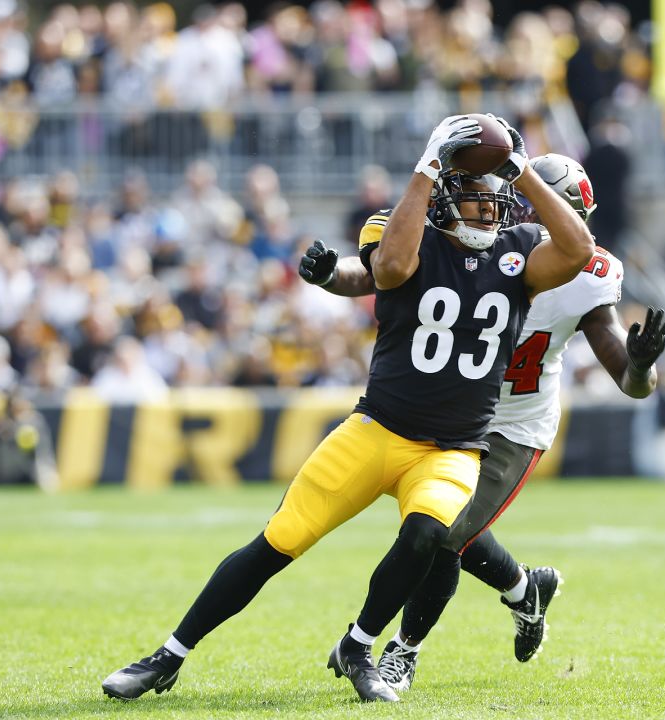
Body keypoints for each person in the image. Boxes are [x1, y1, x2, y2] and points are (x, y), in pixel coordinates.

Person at [101, 114, 596, 703]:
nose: (488, 210)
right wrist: (428, 166)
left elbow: (579, 247)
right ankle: (168, 656)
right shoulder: (402, 231)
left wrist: (519, 170)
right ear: (439, 196)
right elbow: (385, 270)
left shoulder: (519, 253)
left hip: (455, 449)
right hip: (377, 430)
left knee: (426, 537)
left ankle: (360, 646)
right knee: (277, 544)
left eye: (495, 199)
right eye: (472, 197)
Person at [298, 153, 665, 692]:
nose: (546, 221)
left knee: (441, 534)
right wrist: (333, 276)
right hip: (449, 409)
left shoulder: (589, 275)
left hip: (514, 425)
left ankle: (401, 650)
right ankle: (524, 590)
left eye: (560, 210)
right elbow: (383, 275)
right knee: (438, 525)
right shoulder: (489, 244)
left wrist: (639, 363)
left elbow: (633, 385)